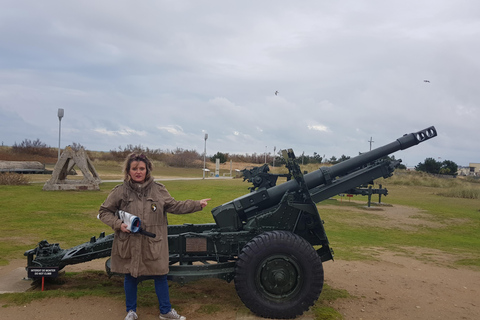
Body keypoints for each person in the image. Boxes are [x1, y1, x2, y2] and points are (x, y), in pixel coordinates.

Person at [98, 153, 210, 320]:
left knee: (160, 275)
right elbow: (104, 212)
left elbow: (175, 205)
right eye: (134, 168)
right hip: (129, 243)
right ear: (128, 171)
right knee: (130, 275)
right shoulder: (120, 191)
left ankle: (165, 311)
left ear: (147, 170)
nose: (138, 172)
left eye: (141, 168)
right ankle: (131, 311)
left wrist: (196, 204)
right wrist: (118, 224)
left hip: (153, 243)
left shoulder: (158, 189)